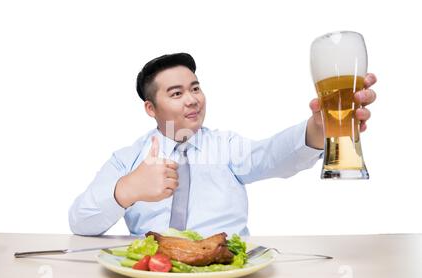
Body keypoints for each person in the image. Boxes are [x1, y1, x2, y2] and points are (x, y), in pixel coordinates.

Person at [69, 53, 377, 237]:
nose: (192, 100)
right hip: (154, 274)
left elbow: (272, 156)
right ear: (151, 108)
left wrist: (317, 128)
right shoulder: (127, 160)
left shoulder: (226, 146)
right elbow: (81, 222)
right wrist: (127, 190)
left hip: (230, 272)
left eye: (195, 88)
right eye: (176, 94)